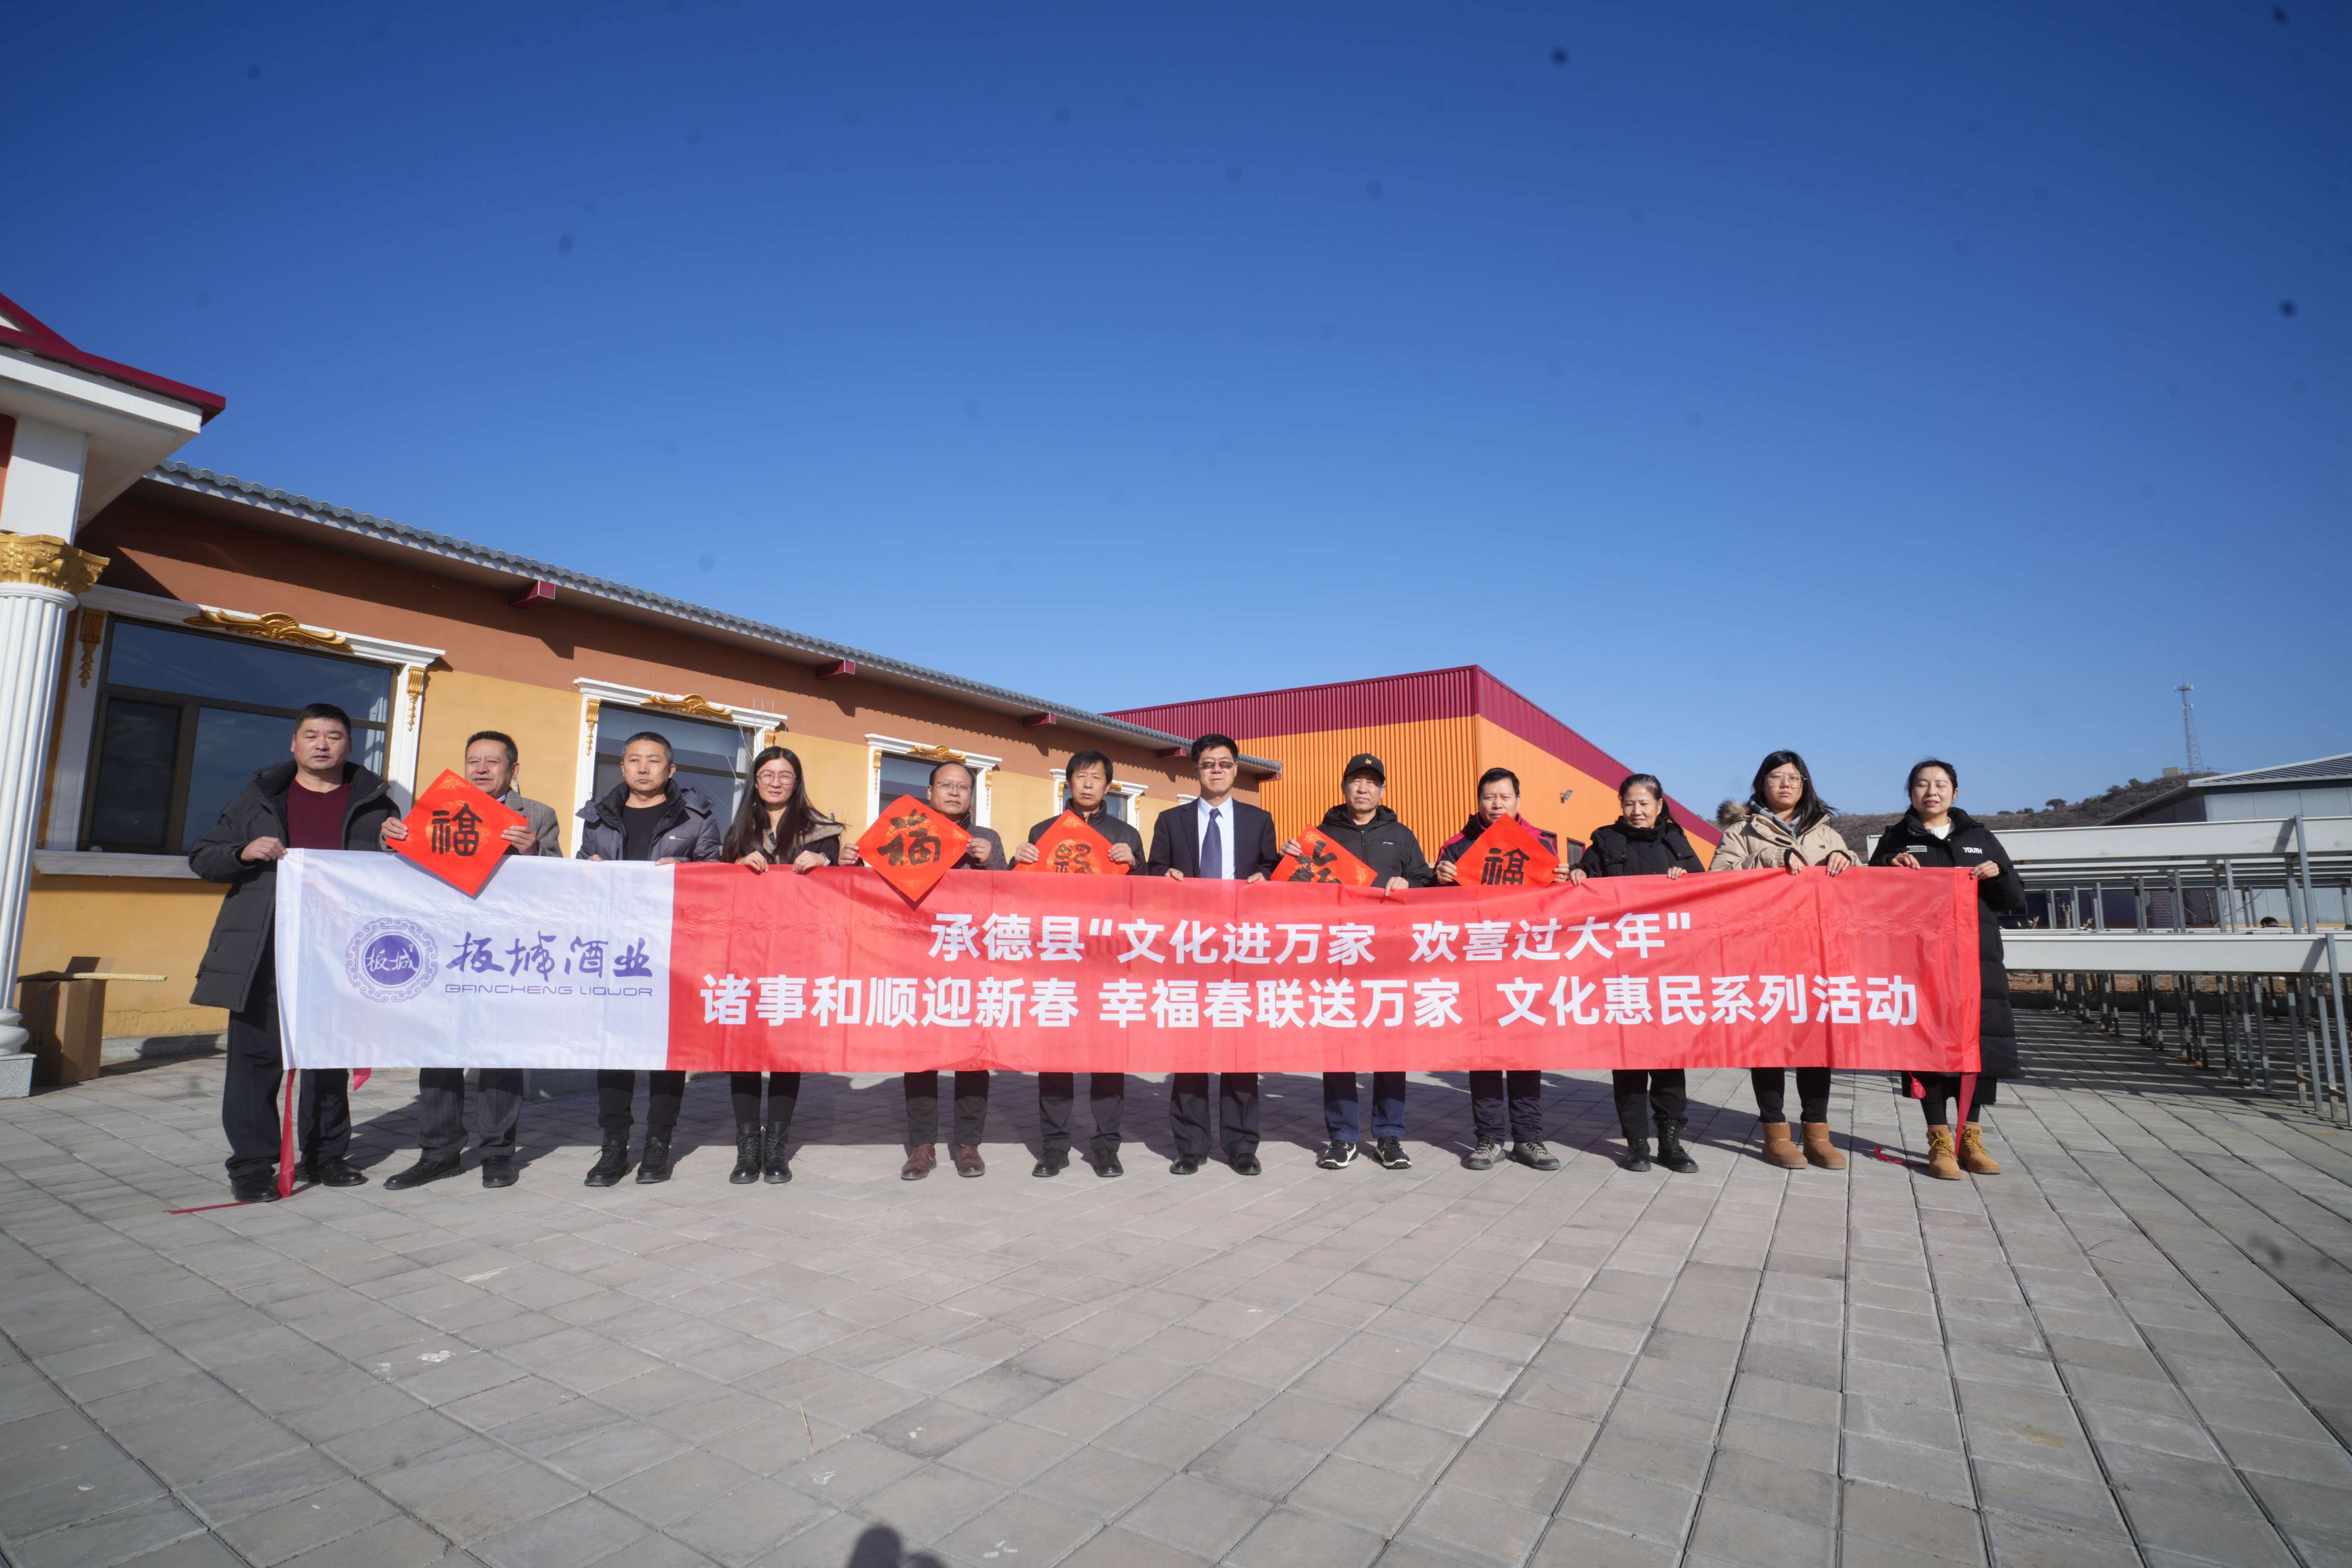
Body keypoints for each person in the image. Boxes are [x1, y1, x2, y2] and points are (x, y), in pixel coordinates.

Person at [189, 703, 401, 1202]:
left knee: (328, 1059)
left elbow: (402, 881)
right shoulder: (257, 800)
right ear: (294, 743)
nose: (322, 744)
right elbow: (203, 857)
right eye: (311, 735)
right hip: (264, 951)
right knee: (255, 1062)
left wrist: (401, 848)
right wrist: (243, 853)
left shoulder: (376, 806)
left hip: (340, 952)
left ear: (350, 746)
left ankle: (326, 1156)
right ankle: (251, 1166)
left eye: (333, 736)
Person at [377, 730, 561, 1190]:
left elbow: (559, 880)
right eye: (473, 761)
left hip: (502, 951)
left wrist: (534, 852)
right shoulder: (437, 810)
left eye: (492, 762)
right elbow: (399, 871)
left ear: (513, 770)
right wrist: (388, 839)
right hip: (444, 945)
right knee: (439, 1049)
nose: (480, 769)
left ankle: (497, 1153)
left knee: (500, 1052)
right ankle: (438, 1152)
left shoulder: (537, 815)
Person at [843, 757, 1007, 1178]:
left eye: (963, 787)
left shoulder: (986, 839)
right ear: (930, 793)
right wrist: (849, 864)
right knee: (919, 1054)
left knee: (973, 1056)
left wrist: (992, 862)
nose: (954, 792)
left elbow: (1006, 897)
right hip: (915, 960)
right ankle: (922, 1146)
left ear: (972, 796)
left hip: (971, 962)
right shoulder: (904, 832)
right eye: (946, 785)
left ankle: (968, 1144)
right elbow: (876, 888)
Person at [576, 731, 723, 1185]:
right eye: (634, 760)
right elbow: (578, 873)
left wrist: (690, 873)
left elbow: (719, 877)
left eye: (654, 760)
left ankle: (659, 1144)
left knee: (667, 1051)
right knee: (613, 1049)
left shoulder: (696, 818)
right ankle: (614, 1146)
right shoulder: (598, 817)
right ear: (622, 767)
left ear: (670, 769)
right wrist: (586, 871)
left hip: (671, 949)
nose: (643, 768)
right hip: (615, 949)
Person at [1278, 754, 1434, 1171]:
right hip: (1339, 957)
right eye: (1356, 781)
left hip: (1389, 957)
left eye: (1371, 782)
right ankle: (1342, 1137)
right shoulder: (1322, 836)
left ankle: (1389, 1136)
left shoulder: (1400, 835)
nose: (1363, 789)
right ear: (1344, 787)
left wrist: (1410, 882)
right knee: (1340, 1047)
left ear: (1382, 790)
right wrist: (1287, 858)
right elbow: (1292, 891)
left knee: (1390, 1049)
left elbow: (1426, 880)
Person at [1870, 758, 2023, 1181]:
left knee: (1979, 1042)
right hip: (1921, 960)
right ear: (1911, 793)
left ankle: (1970, 1138)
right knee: (1929, 1043)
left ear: (1955, 793)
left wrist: (1997, 874)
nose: (1931, 791)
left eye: (1940, 784)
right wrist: (1889, 867)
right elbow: (1870, 897)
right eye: (1922, 784)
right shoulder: (1895, 840)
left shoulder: (1980, 838)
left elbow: (2014, 898)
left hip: (1977, 958)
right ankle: (1939, 1139)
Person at [1709, 750, 1854, 1173]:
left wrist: (1849, 861)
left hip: (1816, 953)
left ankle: (1817, 1134)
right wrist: (1769, 860)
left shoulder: (1826, 832)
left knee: (1816, 1045)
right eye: (1777, 777)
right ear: (1762, 784)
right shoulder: (1741, 831)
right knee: (1769, 1044)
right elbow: (1717, 879)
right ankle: (1775, 1133)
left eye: (1794, 777)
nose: (1786, 784)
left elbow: (1856, 888)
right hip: (1763, 953)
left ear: (1805, 785)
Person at [1147, 733, 1280, 1174]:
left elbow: (1271, 869)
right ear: (1196, 770)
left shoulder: (1259, 820)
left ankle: (1242, 1146)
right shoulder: (1172, 820)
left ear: (1236, 769)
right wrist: (1164, 875)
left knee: (1240, 1051)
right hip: (1190, 949)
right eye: (1208, 764)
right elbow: (1154, 870)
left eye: (1224, 763)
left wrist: (1265, 879)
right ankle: (1190, 1146)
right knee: (1191, 1051)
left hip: (1242, 950)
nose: (1217, 770)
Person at [1014, 749, 1144, 1178]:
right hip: (1057, 958)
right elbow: (1024, 894)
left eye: (1097, 777)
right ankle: (1054, 1146)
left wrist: (1135, 866)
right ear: (1068, 782)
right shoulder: (1044, 831)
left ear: (1108, 786)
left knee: (1108, 1057)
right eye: (1081, 776)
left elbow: (1144, 899)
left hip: (1107, 960)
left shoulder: (1125, 834)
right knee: (1055, 1056)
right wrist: (1019, 861)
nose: (1088, 784)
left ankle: (1107, 1146)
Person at [719, 746, 844, 1185]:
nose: (776, 782)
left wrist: (827, 863)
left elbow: (847, 889)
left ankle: (776, 1147)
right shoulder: (739, 830)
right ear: (755, 781)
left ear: (797, 782)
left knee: (786, 1052)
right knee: (744, 1052)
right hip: (745, 956)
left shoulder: (822, 832)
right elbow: (715, 888)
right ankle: (747, 1147)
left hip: (797, 956)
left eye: (785, 775)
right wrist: (734, 867)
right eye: (767, 775)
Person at [1435, 767, 1571, 1172]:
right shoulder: (1457, 847)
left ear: (1518, 801)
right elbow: (1436, 908)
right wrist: (1438, 878)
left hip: (1525, 966)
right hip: (1477, 966)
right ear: (1478, 802)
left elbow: (1557, 906)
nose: (1497, 805)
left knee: (1525, 1054)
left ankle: (1529, 1138)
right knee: (1484, 1055)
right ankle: (1489, 1138)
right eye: (1489, 797)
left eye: (1504, 797)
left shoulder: (1540, 844)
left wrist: (1564, 880)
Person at [1571, 774, 1704, 1173]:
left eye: (1645, 803)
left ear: (1660, 805)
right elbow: (1583, 887)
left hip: (1668, 973)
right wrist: (1578, 876)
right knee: (1628, 1062)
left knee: (1669, 1062)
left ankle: (1671, 1142)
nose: (1637, 811)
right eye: (1630, 803)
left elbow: (1706, 895)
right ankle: (1637, 1144)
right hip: (1621, 972)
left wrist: (1688, 880)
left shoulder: (1677, 843)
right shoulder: (1605, 842)